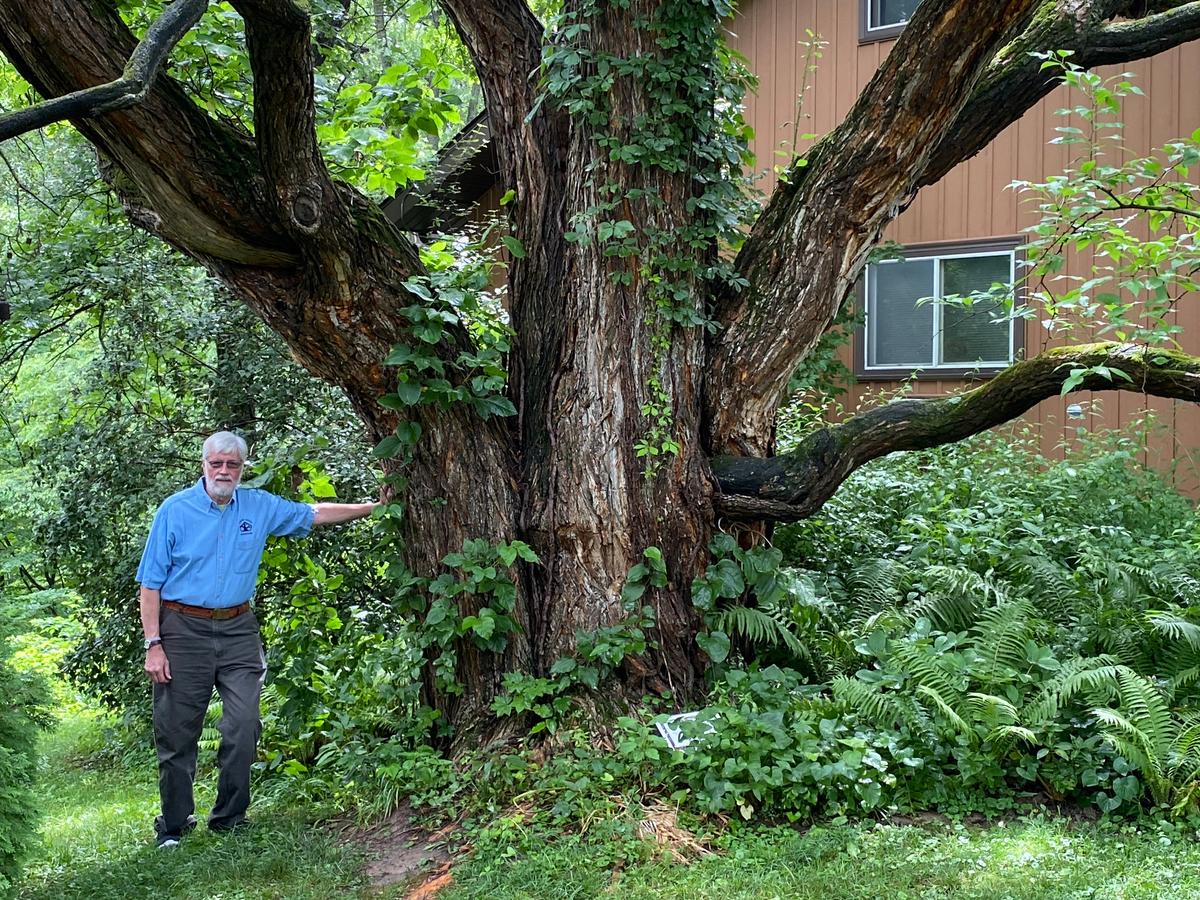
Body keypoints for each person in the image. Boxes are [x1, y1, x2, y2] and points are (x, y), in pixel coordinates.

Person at [137, 431, 379, 848]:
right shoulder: (174, 511)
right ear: (204, 464)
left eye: (233, 464)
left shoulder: (258, 506)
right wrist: (153, 643)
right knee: (177, 731)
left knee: (244, 724)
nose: (224, 471)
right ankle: (174, 826)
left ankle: (229, 817)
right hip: (182, 630)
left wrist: (371, 507)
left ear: (242, 468)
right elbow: (150, 584)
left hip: (238, 628)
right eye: (217, 463)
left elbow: (314, 513)